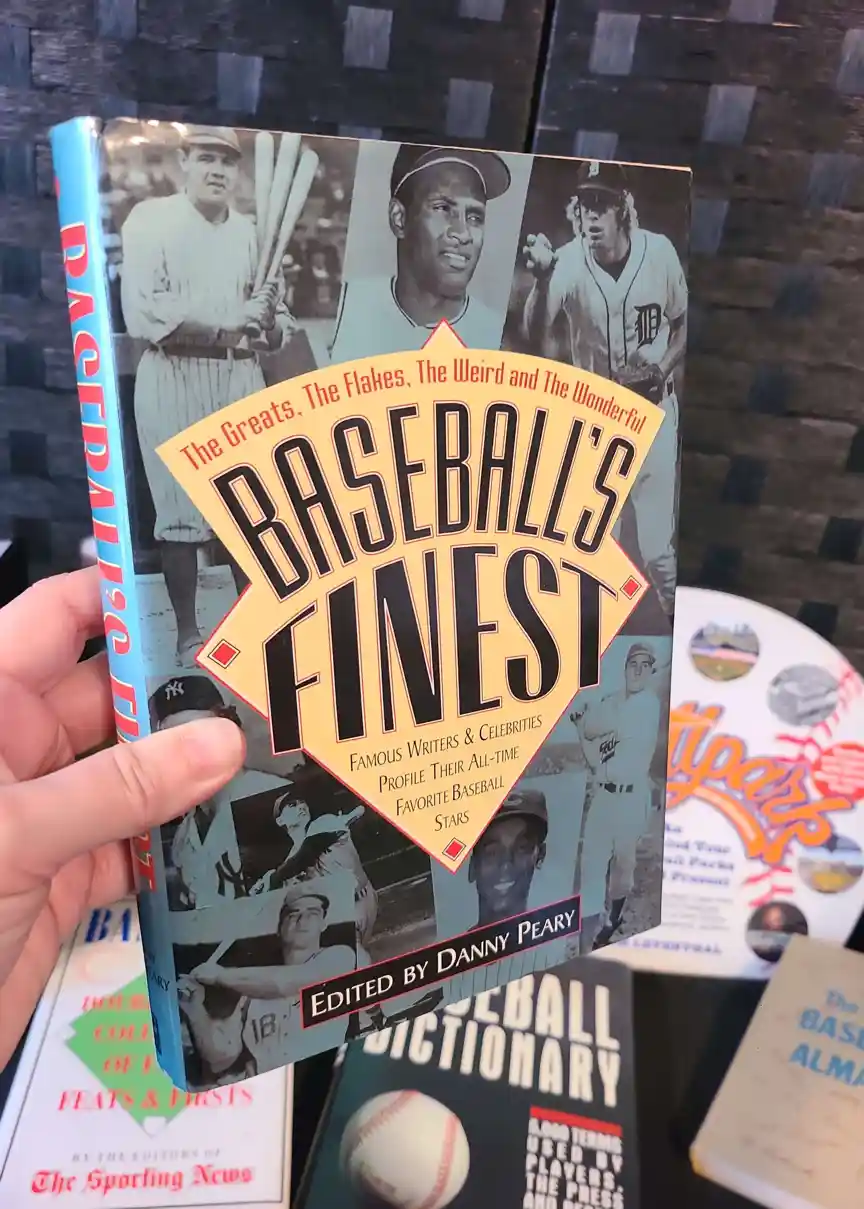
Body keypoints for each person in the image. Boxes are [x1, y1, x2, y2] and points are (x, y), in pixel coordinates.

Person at [0, 567, 245, 1071]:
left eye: (194, 734)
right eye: (169, 740)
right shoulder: (173, 834)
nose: (183, 756)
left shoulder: (266, 804)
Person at [120, 125, 295, 666]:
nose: (217, 170)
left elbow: (278, 327)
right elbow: (144, 313)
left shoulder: (252, 234)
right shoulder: (150, 220)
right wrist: (230, 321)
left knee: (250, 517)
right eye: (205, 158)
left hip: (240, 377)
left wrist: (269, 321)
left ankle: (255, 634)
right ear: (184, 162)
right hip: (174, 373)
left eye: (227, 161)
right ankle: (188, 635)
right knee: (179, 520)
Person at [521, 161, 688, 618]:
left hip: (653, 415)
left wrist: (662, 368)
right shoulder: (567, 262)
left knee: (657, 552)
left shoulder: (659, 253)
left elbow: (683, 324)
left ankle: (676, 628)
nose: (591, 215)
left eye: (602, 203)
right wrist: (542, 279)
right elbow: (535, 333)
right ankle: (590, 647)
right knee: (591, 553)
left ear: (623, 208)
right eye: (584, 203)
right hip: (597, 424)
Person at [329, 144, 511, 361]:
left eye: (474, 217)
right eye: (442, 208)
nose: (463, 233)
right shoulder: (344, 308)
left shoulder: (497, 340)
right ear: (399, 218)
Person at [178, 886, 355, 1078]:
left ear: (323, 924)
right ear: (279, 928)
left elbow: (289, 982)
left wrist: (219, 976)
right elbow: (221, 1056)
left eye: (312, 913)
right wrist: (194, 1010)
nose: (302, 920)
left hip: (317, 1077)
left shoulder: (341, 957)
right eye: (293, 914)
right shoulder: (253, 991)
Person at [149, 674, 292, 909]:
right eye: (172, 742)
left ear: (231, 727)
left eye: (201, 734)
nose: (189, 753)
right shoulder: (185, 834)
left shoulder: (273, 799)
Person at [571, 642, 662, 952]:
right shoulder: (613, 703)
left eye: (645, 665)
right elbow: (592, 750)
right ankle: (585, 947)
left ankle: (613, 918)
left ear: (651, 672)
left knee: (623, 871)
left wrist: (588, 719)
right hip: (604, 798)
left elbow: (596, 730)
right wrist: (582, 726)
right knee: (591, 871)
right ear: (624, 669)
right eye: (633, 664)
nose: (638, 670)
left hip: (632, 800)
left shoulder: (648, 704)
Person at [467, 789, 548, 928]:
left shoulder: (559, 935)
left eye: (521, 848)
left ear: (540, 855)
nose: (506, 865)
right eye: (492, 853)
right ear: (473, 866)